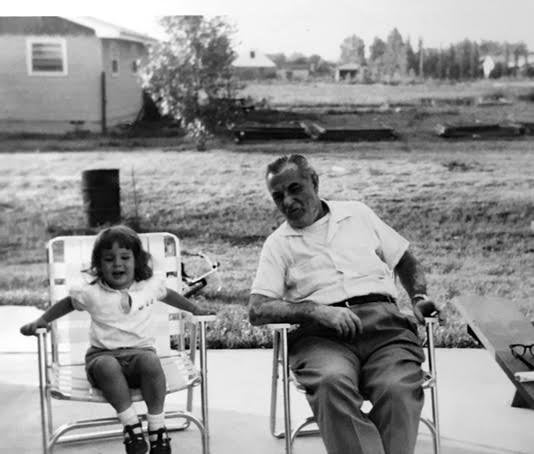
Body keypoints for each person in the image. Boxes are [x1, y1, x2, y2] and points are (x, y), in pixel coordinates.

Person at [249, 154, 441, 454]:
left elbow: (404, 258)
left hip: (385, 329)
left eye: (295, 188)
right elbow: (258, 309)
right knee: (331, 383)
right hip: (321, 338)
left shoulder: (357, 214)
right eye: (278, 196)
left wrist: (418, 296)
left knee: (398, 389)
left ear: (314, 182)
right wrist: (317, 311)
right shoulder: (278, 243)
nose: (287, 201)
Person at [20, 225, 215, 454]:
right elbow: (67, 304)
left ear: (137, 262)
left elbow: (169, 295)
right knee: (106, 365)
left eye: (125, 257)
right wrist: (43, 320)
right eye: (109, 259)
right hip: (103, 356)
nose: (117, 264)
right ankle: (131, 424)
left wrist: (194, 309)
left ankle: (157, 427)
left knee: (151, 363)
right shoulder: (90, 292)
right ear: (99, 265)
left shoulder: (148, 287)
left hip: (141, 354)